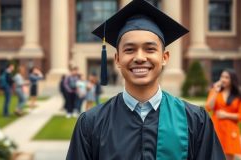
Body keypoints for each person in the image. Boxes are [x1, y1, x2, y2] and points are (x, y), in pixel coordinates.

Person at [67, 0, 225, 159]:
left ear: (164, 57)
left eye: (150, 49)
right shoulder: (91, 123)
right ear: (117, 59)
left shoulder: (195, 120)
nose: (140, 57)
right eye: (129, 50)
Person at [205, 69, 241, 160]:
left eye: (226, 77)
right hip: (216, 127)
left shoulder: (238, 96)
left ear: (232, 80)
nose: (223, 79)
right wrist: (215, 91)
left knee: (228, 156)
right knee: (214, 155)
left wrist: (226, 115)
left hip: (230, 130)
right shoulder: (215, 91)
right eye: (222, 77)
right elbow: (208, 107)